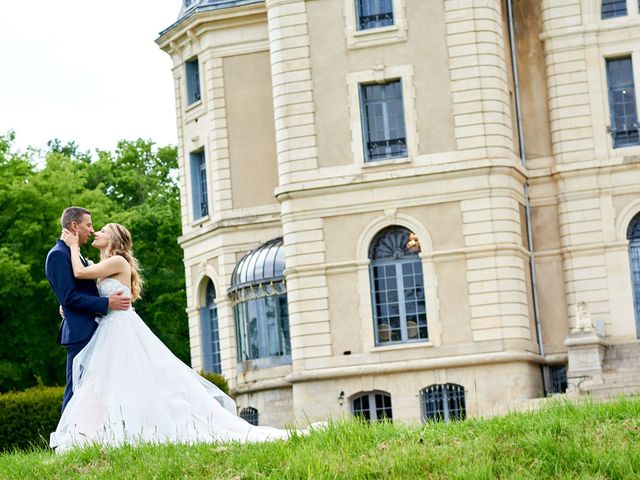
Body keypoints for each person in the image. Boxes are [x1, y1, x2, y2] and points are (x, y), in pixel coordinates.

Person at [50, 222, 305, 453]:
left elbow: (81, 274)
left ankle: (126, 430)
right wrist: (68, 306)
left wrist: (72, 245)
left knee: (121, 379)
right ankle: (102, 431)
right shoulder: (107, 264)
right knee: (110, 381)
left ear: (114, 239)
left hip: (120, 328)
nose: (96, 232)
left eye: (103, 230)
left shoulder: (117, 261)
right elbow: (90, 291)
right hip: (110, 326)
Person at [45, 207, 131, 413]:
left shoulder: (77, 254)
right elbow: (69, 296)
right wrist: (103, 304)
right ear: (74, 226)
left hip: (100, 329)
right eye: (89, 225)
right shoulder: (58, 255)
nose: (92, 231)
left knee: (93, 388)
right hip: (80, 331)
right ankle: (66, 441)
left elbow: (76, 291)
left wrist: (68, 303)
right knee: (77, 387)